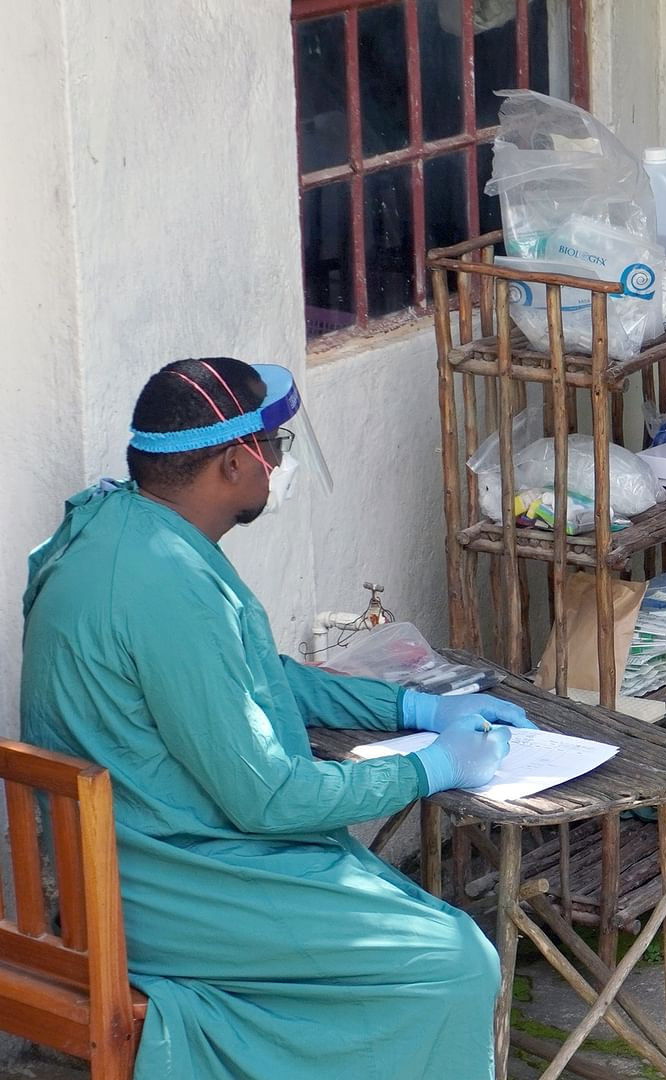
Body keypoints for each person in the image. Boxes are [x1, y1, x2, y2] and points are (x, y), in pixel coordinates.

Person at [20, 358, 534, 1078]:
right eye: (275, 447)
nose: (281, 464)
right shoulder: (167, 586)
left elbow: (260, 672)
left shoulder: (119, 526)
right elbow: (270, 798)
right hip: (162, 888)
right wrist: (431, 766)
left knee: (406, 915)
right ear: (234, 464)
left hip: (125, 858)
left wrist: (414, 704)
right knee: (454, 960)